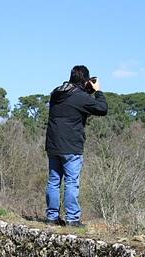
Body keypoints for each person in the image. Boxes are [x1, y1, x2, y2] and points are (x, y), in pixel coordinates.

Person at [45, 65, 108, 227]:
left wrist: (86, 90)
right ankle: (73, 219)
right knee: (71, 182)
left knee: (54, 181)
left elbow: (72, 100)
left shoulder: (56, 93)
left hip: (53, 145)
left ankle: (52, 217)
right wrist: (98, 91)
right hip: (71, 147)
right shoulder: (81, 98)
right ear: (86, 80)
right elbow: (102, 109)